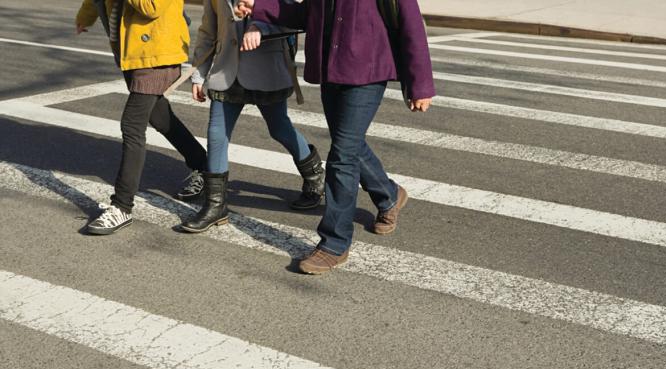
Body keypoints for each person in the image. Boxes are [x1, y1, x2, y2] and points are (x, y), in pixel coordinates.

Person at [234, 0, 434, 274]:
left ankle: (334, 243)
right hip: (332, 69)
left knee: (342, 156)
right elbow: (307, 14)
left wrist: (420, 84)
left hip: (368, 71)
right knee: (348, 144)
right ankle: (389, 194)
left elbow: (411, 24)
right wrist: (260, 6)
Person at [180, 4, 324, 233]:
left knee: (279, 128)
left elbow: (294, 18)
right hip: (227, 71)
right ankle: (215, 206)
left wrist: (260, 27)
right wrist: (198, 75)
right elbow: (208, 31)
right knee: (217, 134)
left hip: (267, 69)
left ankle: (315, 175)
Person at [75, 0, 209, 235]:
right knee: (160, 117)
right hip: (132, 52)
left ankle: (122, 206)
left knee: (131, 125)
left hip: (157, 53)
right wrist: (86, 16)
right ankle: (206, 167)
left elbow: (152, 7)